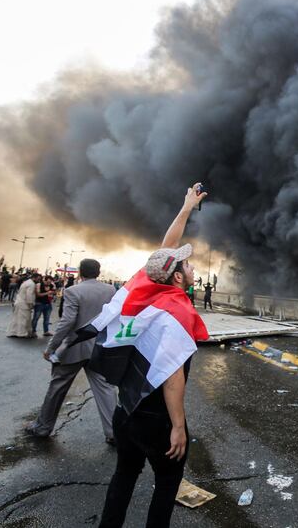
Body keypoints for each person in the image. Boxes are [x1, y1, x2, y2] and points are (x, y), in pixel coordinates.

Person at [98, 183, 208, 528]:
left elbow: (165, 250)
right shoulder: (177, 310)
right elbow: (172, 374)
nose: (193, 270)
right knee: (166, 485)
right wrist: (178, 427)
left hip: (125, 409)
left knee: (124, 477)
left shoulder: (143, 292)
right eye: (188, 267)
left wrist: (187, 207)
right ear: (177, 277)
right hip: (155, 418)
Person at [25, 259, 118, 442]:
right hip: (99, 348)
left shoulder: (73, 291)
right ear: (98, 273)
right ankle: (114, 433)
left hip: (73, 349)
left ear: (80, 273)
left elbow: (66, 322)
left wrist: (51, 347)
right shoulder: (110, 290)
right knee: (106, 390)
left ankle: (43, 428)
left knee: (57, 388)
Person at [7, 273, 40, 338]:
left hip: (19, 302)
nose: (38, 280)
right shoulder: (31, 284)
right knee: (24, 319)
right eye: (38, 279)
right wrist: (31, 304)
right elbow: (29, 295)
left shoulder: (26, 282)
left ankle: (13, 332)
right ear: (35, 278)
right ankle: (22, 333)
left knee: (16, 319)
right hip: (24, 304)